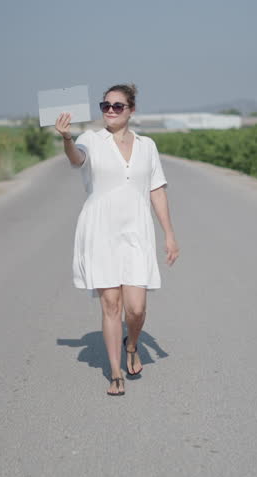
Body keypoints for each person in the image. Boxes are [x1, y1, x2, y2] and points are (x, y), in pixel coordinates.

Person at [55, 83, 179, 396]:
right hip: (100, 229)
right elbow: (76, 159)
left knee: (135, 308)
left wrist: (169, 234)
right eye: (105, 105)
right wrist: (67, 138)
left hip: (137, 229)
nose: (110, 110)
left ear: (131, 110)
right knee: (111, 304)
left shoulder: (147, 145)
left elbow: (156, 190)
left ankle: (132, 344)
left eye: (117, 106)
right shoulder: (90, 140)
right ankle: (115, 373)